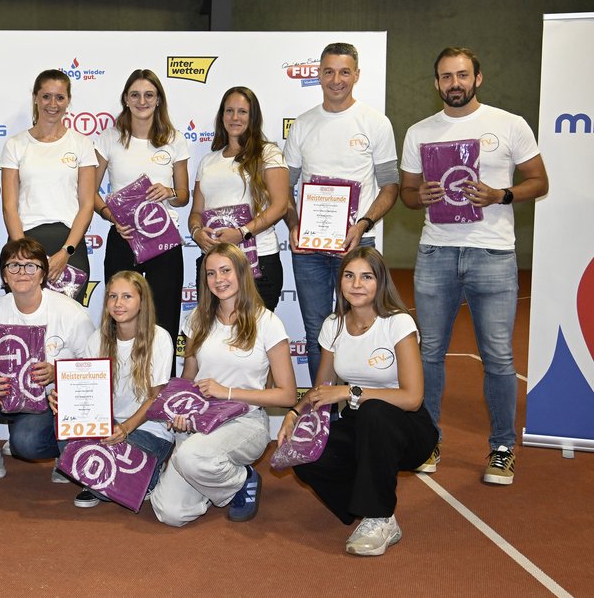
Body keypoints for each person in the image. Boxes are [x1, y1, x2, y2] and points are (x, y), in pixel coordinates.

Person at [400, 47, 548, 485]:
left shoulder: (509, 124)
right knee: (429, 353)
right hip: (436, 252)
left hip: (493, 254)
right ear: (436, 83)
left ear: (477, 78)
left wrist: (501, 195)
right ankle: (427, 440)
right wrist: (419, 197)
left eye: (462, 75)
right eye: (446, 77)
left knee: (498, 356)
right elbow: (407, 193)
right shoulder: (419, 131)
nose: (455, 83)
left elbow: (539, 181)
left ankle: (502, 447)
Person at [278, 247, 437, 556]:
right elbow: (323, 389)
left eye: (367, 277)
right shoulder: (333, 325)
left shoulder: (398, 323)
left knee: (373, 412)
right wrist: (295, 413)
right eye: (349, 276)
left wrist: (350, 392)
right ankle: (375, 510)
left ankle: (377, 515)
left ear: (381, 282)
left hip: (406, 427)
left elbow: (413, 398)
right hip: (359, 424)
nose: (357, 284)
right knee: (303, 455)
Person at [151, 244, 296, 527]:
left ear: (242, 272)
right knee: (170, 512)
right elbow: (189, 376)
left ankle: (242, 480)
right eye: (211, 273)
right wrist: (179, 409)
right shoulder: (197, 319)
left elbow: (288, 394)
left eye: (226, 270)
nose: (219, 279)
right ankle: (215, 477)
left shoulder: (267, 322)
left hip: (245, 422)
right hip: (201, 420)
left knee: (191, 458)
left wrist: (227, 392)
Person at [283, 42, 399, 384]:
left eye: (344, 72)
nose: (337, 80)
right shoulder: (302, 124)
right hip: (309, 250)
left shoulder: (375, 123)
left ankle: (356, 404)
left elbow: (390, 186)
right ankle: (324, 409)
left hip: (357, 246)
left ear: (357, 75)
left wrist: (363, 224)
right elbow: (284, 188)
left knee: (362, 327)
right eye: (329, 72)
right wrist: (294, 224)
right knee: (316, 330)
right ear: (318, 74)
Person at [0, 238, 96, 486]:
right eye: (14, 265)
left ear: (43, 275)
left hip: (52, 403)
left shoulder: (72, 313)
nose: (22, 272)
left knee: (26, 443)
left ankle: (64, 453)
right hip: (8, 394)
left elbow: (93, 371)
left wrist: (57, 373)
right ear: (4, 276)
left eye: (31, 266)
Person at [50, 270, 175, 508]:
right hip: (107, 425)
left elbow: (156, 397)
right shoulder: (97, 338)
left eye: (127, 296)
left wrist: (126, 429)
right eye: (113, 296)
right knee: (64, 437)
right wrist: (64, 399)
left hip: (148, 429)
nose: (118, 303)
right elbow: (85, 389)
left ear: (142, 302)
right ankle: (119, 480)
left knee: (105, 478)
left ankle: (143, 474)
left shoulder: (159, 337)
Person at [94, 69, 190, 342]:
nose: (142, 101)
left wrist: (169, 192)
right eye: (135, 95)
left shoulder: (174, 139)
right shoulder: (109, 138)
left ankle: (162, 372)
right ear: (126, 99)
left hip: (163, 238)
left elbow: (183, 196)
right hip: (124, 235)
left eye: (149, 95)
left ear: (158, 99)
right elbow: (89, 191)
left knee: (164, 320)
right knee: (120, 318)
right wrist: (110, 216)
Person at [188, 86, 289, 311]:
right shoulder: (208, 161)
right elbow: (196, 211)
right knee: (214, 328)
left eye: (242, 112)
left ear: (253, 117)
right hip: (214, 262)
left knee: (256, 330)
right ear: (222, 115)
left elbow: (280, 206)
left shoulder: (269, 154)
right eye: (229, 111)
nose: (235, 117)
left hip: (259, 260)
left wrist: (242, 233)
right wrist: (196, 233)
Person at [0, 70, 97, 300]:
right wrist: (23, 253)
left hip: (69, 245)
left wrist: (66, 251)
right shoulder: (15, 144)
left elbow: (87, 205)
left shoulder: (82, 144)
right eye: (46, 96)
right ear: (35, 97)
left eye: (60, 97)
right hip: (25, 241)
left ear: (68, 101)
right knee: (25, 315)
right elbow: (9, 207)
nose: (53, 104)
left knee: (69, 318)